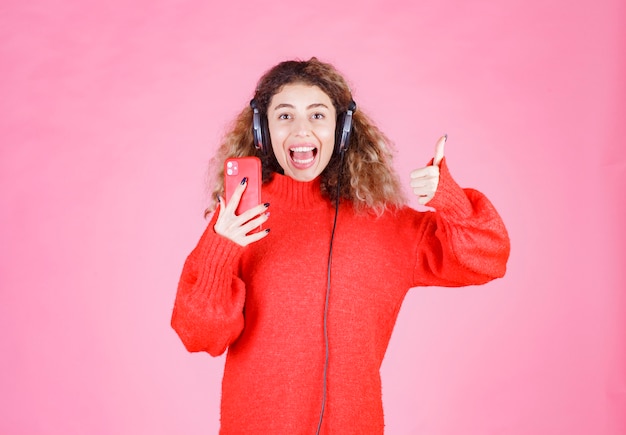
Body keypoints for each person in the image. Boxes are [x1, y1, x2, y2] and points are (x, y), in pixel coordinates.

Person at [171, 57, 510, 434]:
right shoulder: (238, 219)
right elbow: (200, 335)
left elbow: (487, 256)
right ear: (262, 130)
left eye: (318, 115)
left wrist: (450, 200)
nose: (301, 130)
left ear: (342, 129)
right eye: (284, 116)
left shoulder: (383, 222)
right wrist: (223, 247)